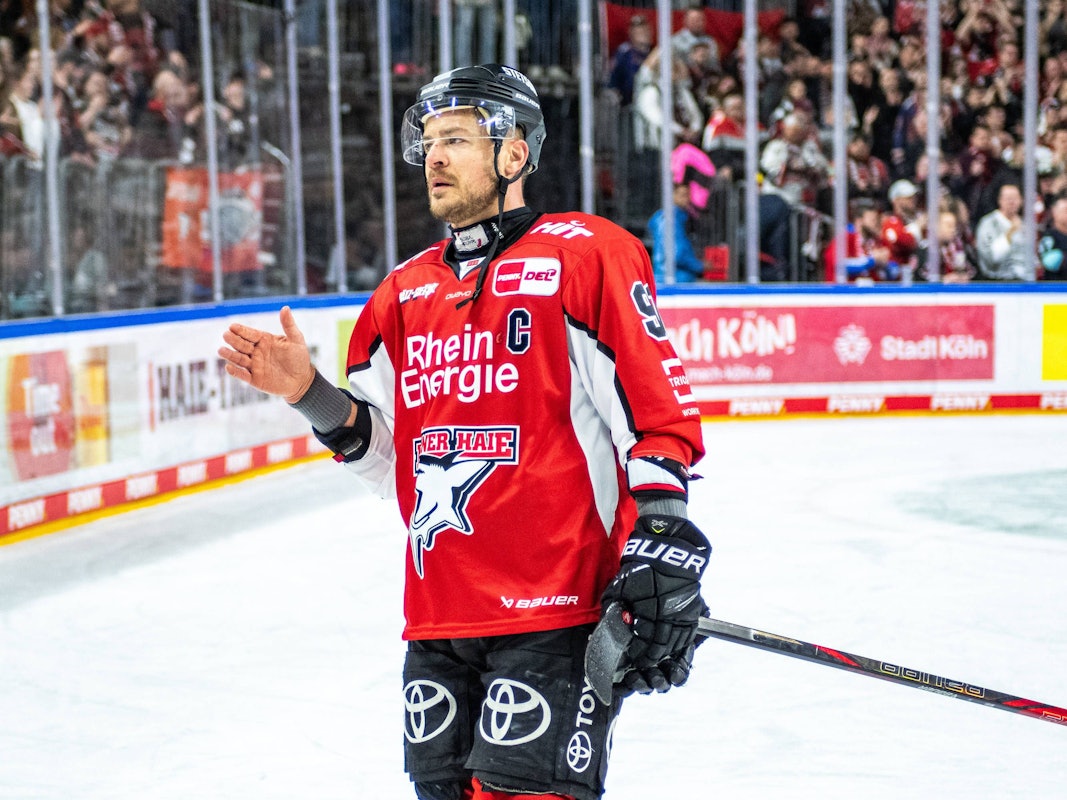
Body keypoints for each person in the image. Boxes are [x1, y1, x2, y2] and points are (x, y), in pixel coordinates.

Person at [219, 64, 709, 800]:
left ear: (514, 155)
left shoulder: (584, 254)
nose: (434, 156)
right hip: (439, 616)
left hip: (556, 609)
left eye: (456, 138)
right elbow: (395, 466)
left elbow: (651, 409)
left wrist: (663, 531)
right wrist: (309, 394)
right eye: (428, 141)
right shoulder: (400, 295)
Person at [648, 182, 706, 285]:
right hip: (677, 279)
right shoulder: (672, 219)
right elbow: (676, 254)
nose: (687, 199)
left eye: (688, 195)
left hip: (665, 277)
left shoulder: (666, 218)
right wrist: (700, 266)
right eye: (682, 195)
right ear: (671, 195)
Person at [974, 182, 1029, 280]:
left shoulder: (1026, 224)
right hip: (997, 282)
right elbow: (990, 260)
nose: (1012, 202)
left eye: (1015, 198)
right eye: (1008, 198)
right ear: (1000, 200)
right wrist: (1010, 232)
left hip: (1025, 282)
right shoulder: (988, 223)